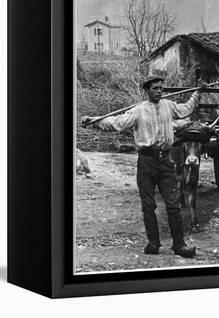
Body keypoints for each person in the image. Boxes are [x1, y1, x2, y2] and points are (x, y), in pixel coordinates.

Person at [81, 74, 206, 258]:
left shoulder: (169, 106)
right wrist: (94, 120)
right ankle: (153, 243)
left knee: (173, 204)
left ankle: (179, 245)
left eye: (161, 88)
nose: (159, 91)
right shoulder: (138, 111)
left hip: (165, 161)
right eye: (155, 88)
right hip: (146, 162)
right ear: (147, 90)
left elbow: (185, 109)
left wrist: (198, 92)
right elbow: (117, 123)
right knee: (148, 205)